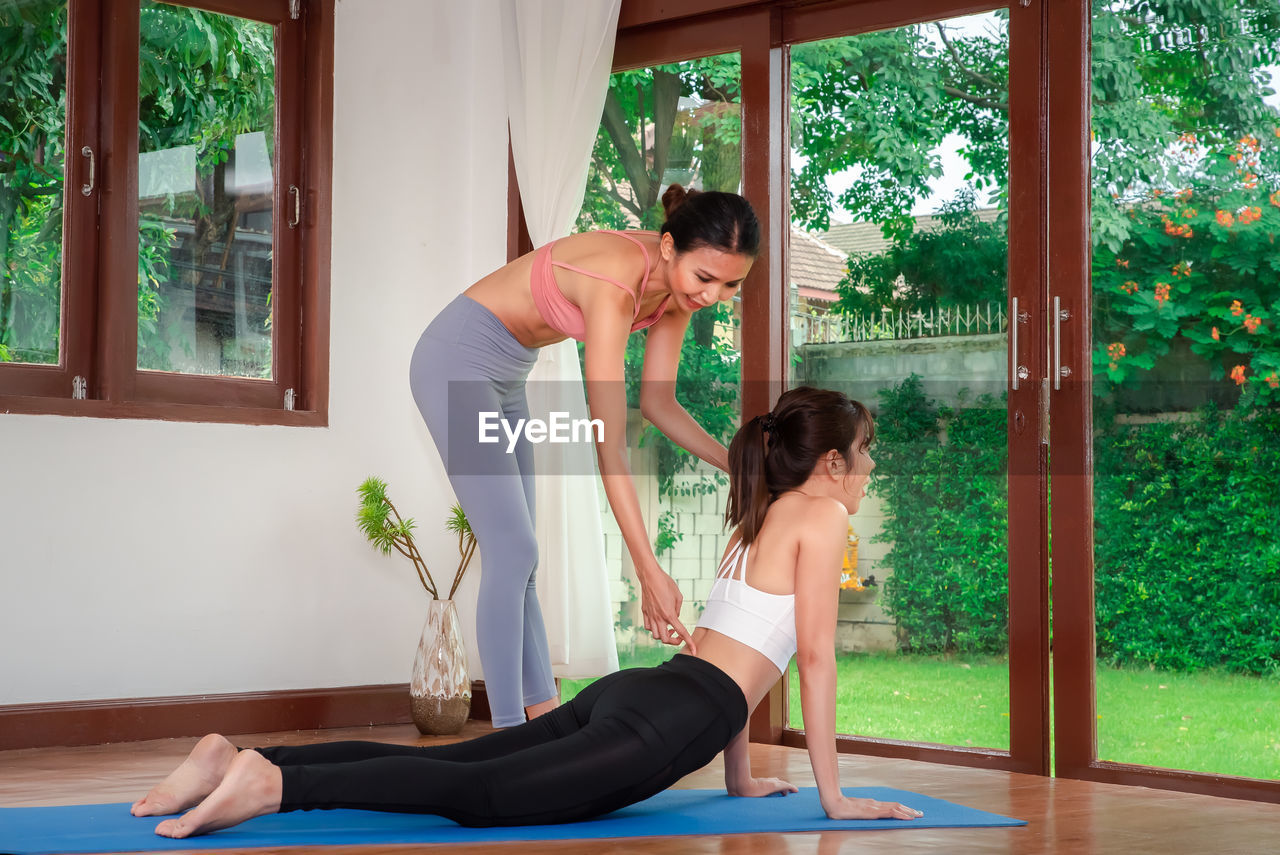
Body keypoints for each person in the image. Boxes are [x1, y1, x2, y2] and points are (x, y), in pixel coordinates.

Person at [132, 386, 924, 839]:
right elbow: (809, 659)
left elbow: (740, 647)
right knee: (481, 799)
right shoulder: (821, 517)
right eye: (865, 450)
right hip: (673, 716)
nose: (869, 464)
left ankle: (236, 754)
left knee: (461, 765)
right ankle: (272, 785)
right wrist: (835, 799)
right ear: (831, 461)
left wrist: (743, 778)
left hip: (644, 690)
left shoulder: (763, 512)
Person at [408, 185, 759, 727]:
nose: (714, 295)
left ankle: (542, 717)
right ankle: (506, 739)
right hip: (457, 362)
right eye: (705, 278)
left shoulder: (676, 294)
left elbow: (659, 404)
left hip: (507, 377)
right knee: (512, 549)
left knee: (521, 558)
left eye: (732, 283)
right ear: (669, 248)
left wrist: (737, 463)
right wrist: (648, 571)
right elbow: (609, 443)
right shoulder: (616, 281)